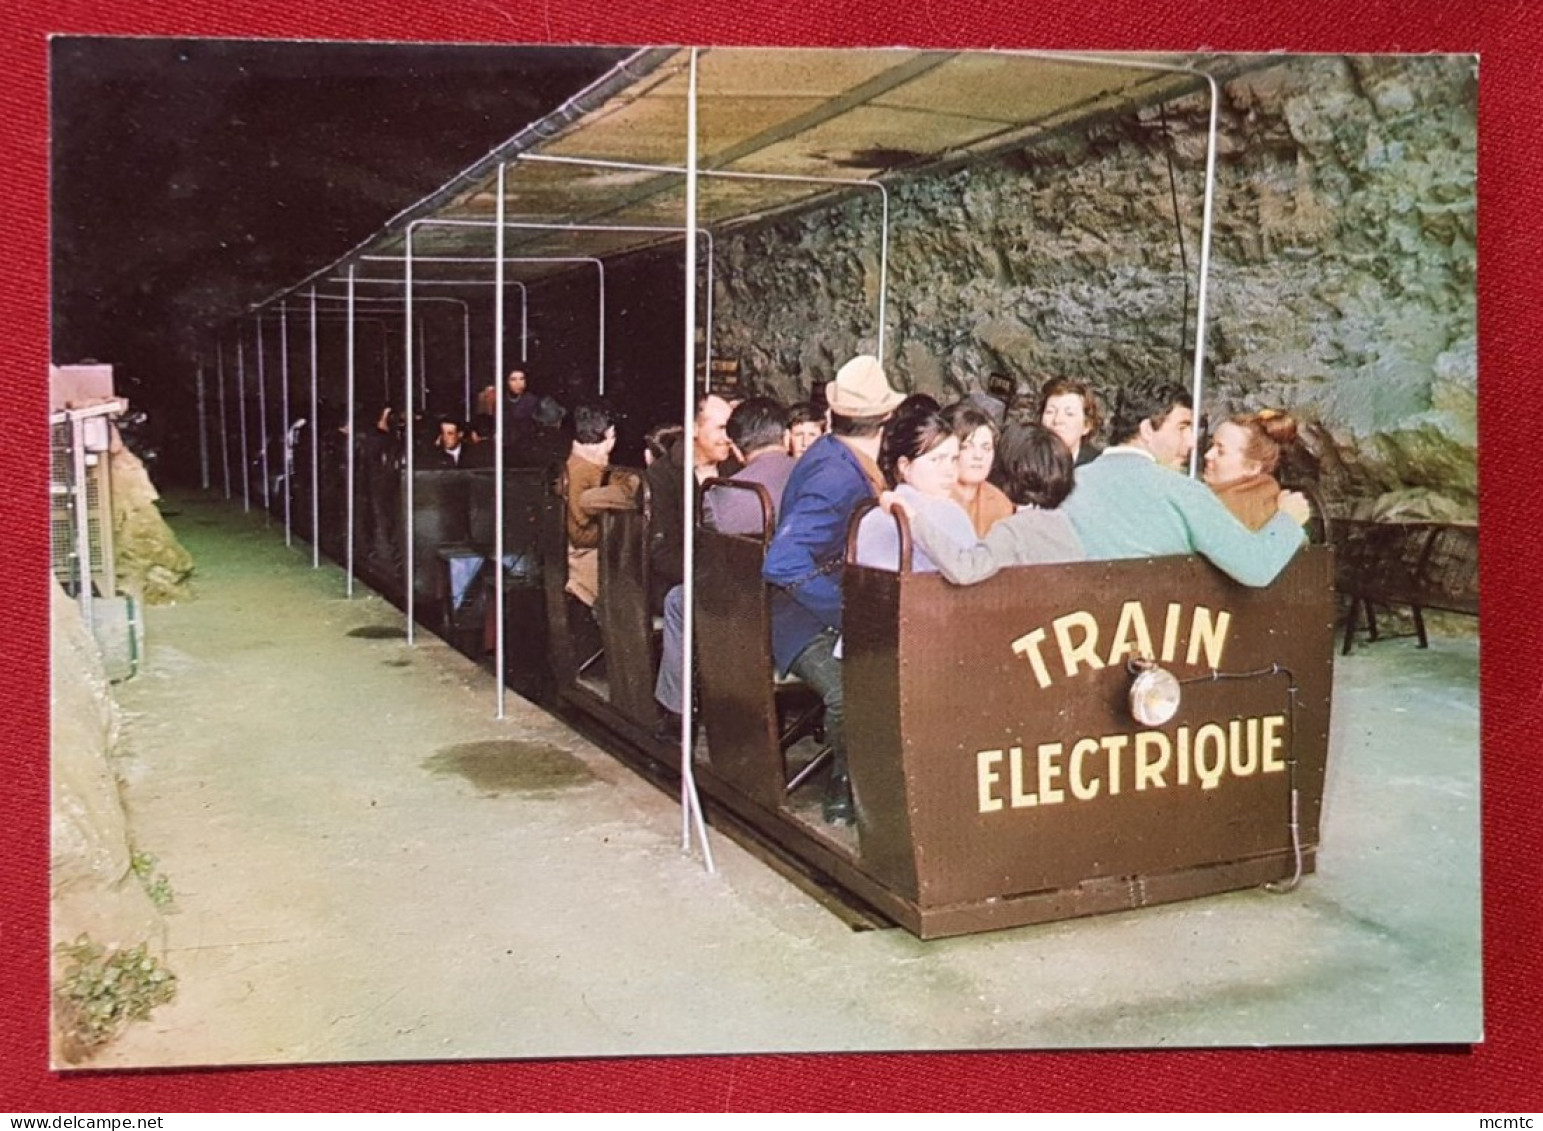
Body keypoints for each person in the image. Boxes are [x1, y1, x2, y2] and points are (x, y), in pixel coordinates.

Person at [764, 354, 904, 825]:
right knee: (852, 690)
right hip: (799, 621)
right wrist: (844, 614)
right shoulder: (836, 475)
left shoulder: (833, 454)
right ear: (885, 419)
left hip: (807, 610)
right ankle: (844, 788)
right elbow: (782, 561)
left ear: (831, 415)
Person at [1060, 384, 1311, 587]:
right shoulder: (1183, 491)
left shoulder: (1068, 484)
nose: (1192, 443)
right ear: (1147, 429)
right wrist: (1287, 519)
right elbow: (1256, 566)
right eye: (1182, 427)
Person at [654, 397, 797, 739]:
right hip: (689, 572)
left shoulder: (737, 473)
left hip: (743, 586)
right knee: (679, 598)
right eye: (720, 428)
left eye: (731, 429)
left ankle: (682, 705)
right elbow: (661, 550)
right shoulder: (663, 476)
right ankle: (681, 708)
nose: (728, 436)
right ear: (693, 430)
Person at [883, 422, 1084, 585]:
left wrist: (913, 520)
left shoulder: (1013, 531)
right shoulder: (1064, 525)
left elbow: (965, 570)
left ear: (1009, 470)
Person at [854, 401, 976, 573]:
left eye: (954, 459)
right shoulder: (948, 513)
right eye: (937, 459)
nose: (949, 471)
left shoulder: (870, 516)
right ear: (904, 465)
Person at [564, 402, 637, 608]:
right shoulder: (588, 471)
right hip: (586, 566)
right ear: (610, 435)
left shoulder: (577, 463)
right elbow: (580, 534)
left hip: (578, 561)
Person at [1203, 409, 1301, 531]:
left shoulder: (1228, 510)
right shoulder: (1270, 500)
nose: (1207, 455)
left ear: (1252, 468)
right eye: (1211, 445)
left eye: (1220, 452)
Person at [942, 401, 1014, 536]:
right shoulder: (932, 496)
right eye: (967, 447)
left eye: (986, 448)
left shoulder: (1001, 504)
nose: (978, 456)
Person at [1039, 377, 1103, 467]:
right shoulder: (1025, 461)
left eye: (1069, 414)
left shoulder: (1097, 465)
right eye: (1050, 411)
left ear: (1087, 425)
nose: (1057, 420)